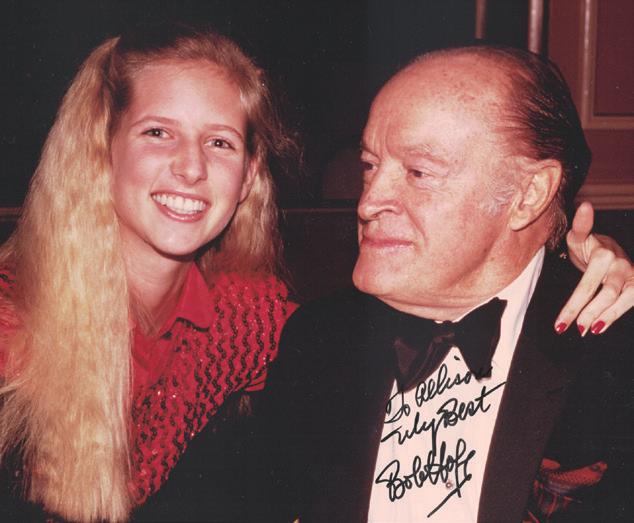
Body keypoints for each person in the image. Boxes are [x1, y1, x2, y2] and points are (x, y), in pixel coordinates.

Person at [262, 45, 634, 522]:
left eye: (419, 172)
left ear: (528, 195)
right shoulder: (318, 337)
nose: (368, 202)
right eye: (370, 165)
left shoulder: (613, 355)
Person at [0, 24, 297, 522]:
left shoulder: (245, 316)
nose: (191, 168)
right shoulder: (13, 326)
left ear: (247, 176)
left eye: (219, 142)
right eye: (158, 132)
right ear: (101, 149)